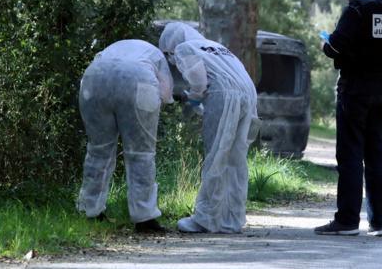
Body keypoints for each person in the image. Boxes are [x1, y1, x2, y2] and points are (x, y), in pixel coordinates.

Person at [314, 0, 382, 238]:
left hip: (356, 91)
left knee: (351, 155)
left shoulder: (356, 9)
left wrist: (327, 43)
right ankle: (379, 222)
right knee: (376, 154)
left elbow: (333, 47)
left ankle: (346, 220)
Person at [158, 22, 258, 234]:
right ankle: (232, 219)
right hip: (248, 95)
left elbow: (200, 83)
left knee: (216, 155)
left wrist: (191, 98)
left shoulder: (185, 48)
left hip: (224, 94)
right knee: (236, 159)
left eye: (169, 54)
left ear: (171, 45)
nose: (171, 59)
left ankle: (205, 218)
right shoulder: (216, 46)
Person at [77, 39, 174, 233]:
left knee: (98, 149)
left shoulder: (112, 49)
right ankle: (144, 217)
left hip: (94, 77)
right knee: (141, 153)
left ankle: (89, 210)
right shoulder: (155, 55)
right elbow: (166, 93)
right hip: (139, 79)